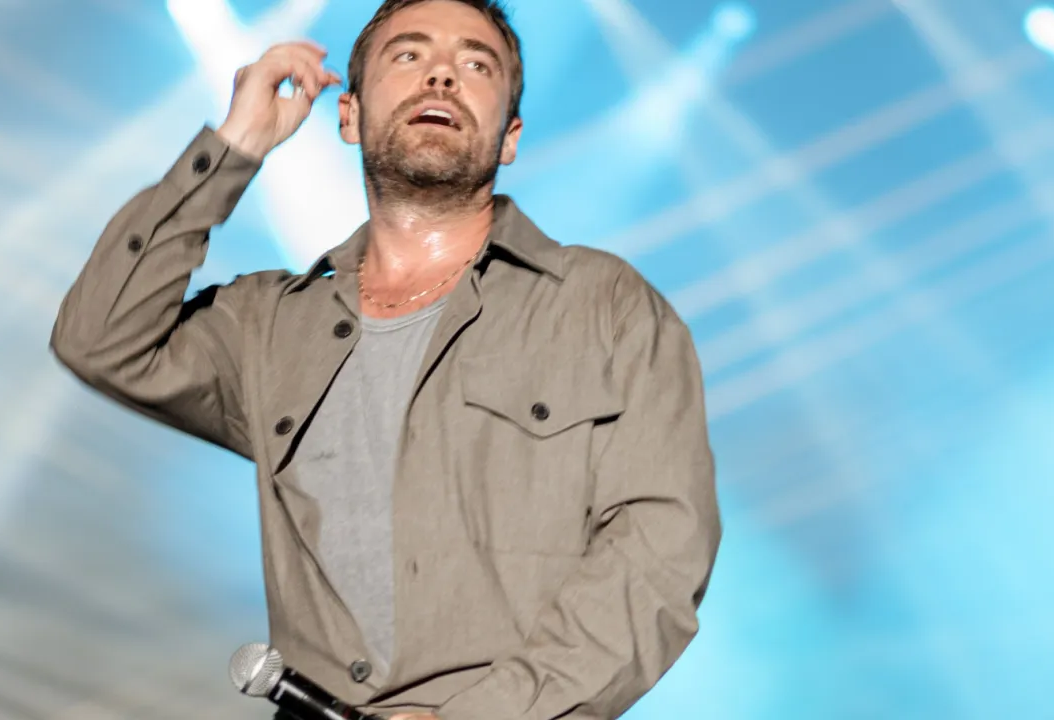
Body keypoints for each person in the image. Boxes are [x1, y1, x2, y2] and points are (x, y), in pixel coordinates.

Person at [51, 0, 721, 717]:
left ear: (510, 137)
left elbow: (660, 553)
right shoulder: (267, 322)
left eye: (476, 64)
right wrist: (235, 144)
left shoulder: (605, 306)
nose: (441, 75)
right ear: (349, 115)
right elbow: (101, 340)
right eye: (409, 55)